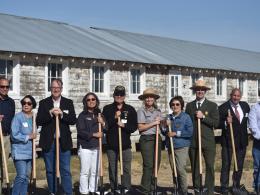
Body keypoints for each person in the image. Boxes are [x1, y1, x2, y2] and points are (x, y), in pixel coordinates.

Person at [36, 79, 76, 195]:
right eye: (53, 87)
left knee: (65, 170)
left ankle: (67, 192)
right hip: (49, 142)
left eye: (58, 87)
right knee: (50, 170)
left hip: (63, 142)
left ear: (61, 89)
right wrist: (49, 113)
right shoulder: (44, 103)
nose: (56, 89)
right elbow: (39, 120)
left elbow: (73, 120)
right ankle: (53, 192)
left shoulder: (68, 102)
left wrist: (62, 114)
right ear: (50, 89)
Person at [185, 79, 219, 195]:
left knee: (209, 166)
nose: (200, 91)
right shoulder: (189, 106)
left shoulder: (212, 106)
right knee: (195, 166)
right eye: (197, 89)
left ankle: (209, 190)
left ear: (205, 91)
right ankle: (197, 188)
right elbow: (186, 123)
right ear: (195, 91)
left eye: (202, 89)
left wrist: (203, 117)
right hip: (194, 141)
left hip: (208, 141)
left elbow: (216, 123)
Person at [102, 86, 137, 194]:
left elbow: (133, 127)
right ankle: (114, 188)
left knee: (126, 169)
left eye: (121, 95)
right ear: (114, 96)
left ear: (124, 96)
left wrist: (123, 125)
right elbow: (105, 127)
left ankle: (126, 189)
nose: (119, 96)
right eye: (117, 94)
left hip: (125, 145)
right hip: (111, 145)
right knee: (113, 169)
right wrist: (114, 117)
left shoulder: (130, 109)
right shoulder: (107, 109)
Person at [219, 88, 250, 194]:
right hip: (228, 141)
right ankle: (224, 187)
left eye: (238, 96)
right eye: (234, 95)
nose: (236, 97)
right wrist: (225, 122)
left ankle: (235, 185)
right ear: (230, 95)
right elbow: (217, 123)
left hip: (242, 141)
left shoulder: (245, 106)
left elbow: (248, 120)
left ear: (240, 97)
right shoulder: (223, 108)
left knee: (239, 165)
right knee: (226, 164)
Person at [76, 92, 106, 195]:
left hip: (97, 147)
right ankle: (84, 192)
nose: (91, 101)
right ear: (85, 102)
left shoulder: (99, 115)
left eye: (93, 99)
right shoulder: (82, 115)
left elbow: (106, 129)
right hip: (85, 147)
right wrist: (94, 134)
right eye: (88, 100)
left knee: (95, 171)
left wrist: (102, 122)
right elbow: (81, 131)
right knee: (85, 172)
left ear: (96, 101)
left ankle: (93, 190)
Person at [165, 96, 193, 195]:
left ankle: (184, 191)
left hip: (182, 147)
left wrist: (176, 133)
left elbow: (189, 132)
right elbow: (164, 132)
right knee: (174, 170)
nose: (175, 106)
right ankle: (176, 189)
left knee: (180, 169)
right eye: (173, 104)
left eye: (177, 104)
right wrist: (164, 126)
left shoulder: (186, 117)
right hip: (171, 147)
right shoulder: (168, 117)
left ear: (181, 106)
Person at [137, 88, 162, 195]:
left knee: (156, 164)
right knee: (148, 165)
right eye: (147, 97)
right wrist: (154, 123)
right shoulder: (141, 111)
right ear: (144, 99)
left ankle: (153, 188)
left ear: (154, 99)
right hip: (146, 139)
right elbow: (141, 128)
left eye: (151, 97)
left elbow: (162, 125)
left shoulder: (158, 111)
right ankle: (145, 190)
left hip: (157, 138)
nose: (149, 99)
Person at [11, 95, 37, 195]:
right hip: (19, 151)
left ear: (32, 105)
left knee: (26, 176)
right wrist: (28, 137)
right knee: (21, 175)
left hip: (30, 151)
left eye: (29, 103)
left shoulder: (34, 117)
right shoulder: (18, 117)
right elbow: (14, 135)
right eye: (24, 103)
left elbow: (35, 133)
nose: (26, 105)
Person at [0, 77, 15, 194]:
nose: (5, 89)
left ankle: (4, 186)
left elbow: (12, 120)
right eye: (2, 86)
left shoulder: (11, 102)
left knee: (4, 163)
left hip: (6, 136)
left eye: (7, 87)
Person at [249, 102, 260, 193]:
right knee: (257, 166)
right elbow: (253, 125)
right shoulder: (255, 108)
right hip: (258, 141)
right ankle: (257, 187)